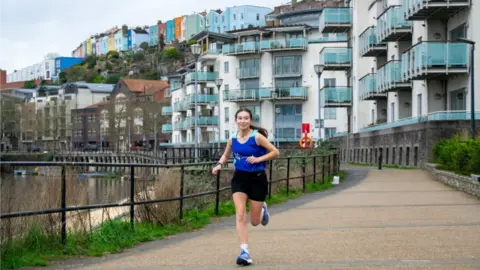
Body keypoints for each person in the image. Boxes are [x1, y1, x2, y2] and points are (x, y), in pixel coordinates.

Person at [212, 108, 280, 266]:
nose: (242, 121)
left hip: (257, 179)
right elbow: (226, 155)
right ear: (235, 121)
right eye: (240, 118)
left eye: (246, 118)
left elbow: (275, 152)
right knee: (240, 214)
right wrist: (219, 165)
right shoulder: (233, 139)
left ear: (250, 120)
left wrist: (258, 159)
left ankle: (262, 209)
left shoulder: (257, 137)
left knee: (255, 222)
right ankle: (244, 252)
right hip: (240, 178)